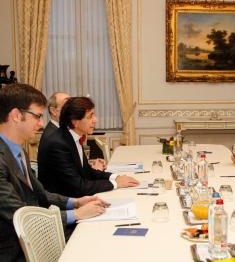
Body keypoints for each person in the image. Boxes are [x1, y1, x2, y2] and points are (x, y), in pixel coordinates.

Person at [0, 84, 108, 262]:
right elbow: (22, 217)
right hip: (16, 250)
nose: (42, 123)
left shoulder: (18, 150)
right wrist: (77, 214)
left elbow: (41, 195)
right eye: (37, 116)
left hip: (37, 238)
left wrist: (75, 202)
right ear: (16, 116)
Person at [38, 97, 139, 197]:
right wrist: (116, 184)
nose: (95, 120)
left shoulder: (71, 136)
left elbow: (87, 171)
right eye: (90, 116)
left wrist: (115, 177)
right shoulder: (58, 144)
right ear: (75, 121)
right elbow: (79, 187)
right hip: (63, 204)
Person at [39, 92, 106, 171]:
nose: (71, 108)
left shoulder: (70, 131)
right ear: (53, 111)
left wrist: (90, 167)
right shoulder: (54, 137)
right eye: (67, 104)